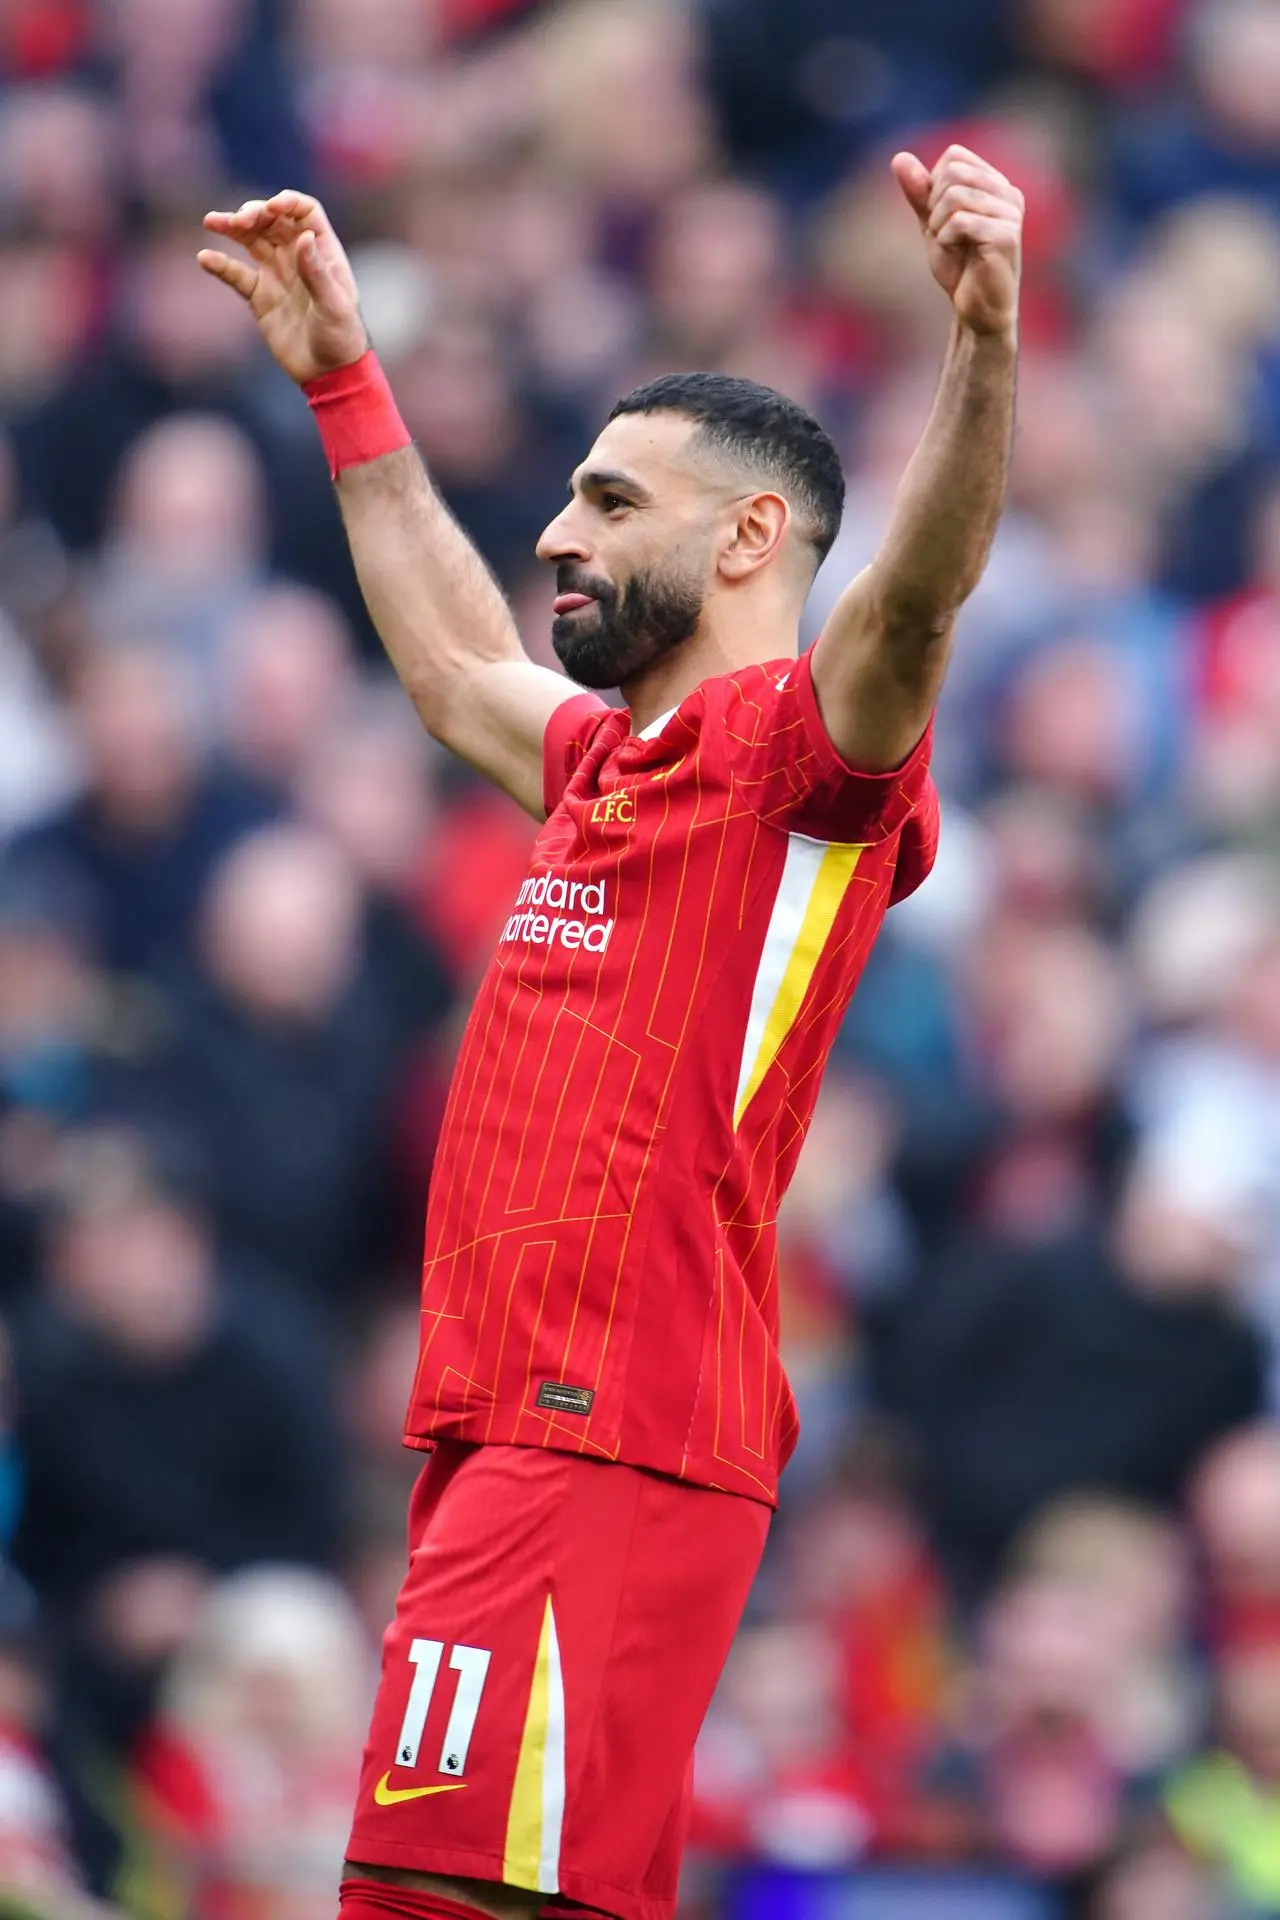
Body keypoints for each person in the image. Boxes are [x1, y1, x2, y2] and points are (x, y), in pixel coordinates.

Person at [195, 143, 1022, 1920]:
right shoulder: (604, 768)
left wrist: (981, 346)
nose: (560, 533)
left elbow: (918, 598)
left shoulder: (809, 766)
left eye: (609, 501)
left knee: (426, 1903)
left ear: (746, 539)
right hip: (517, 1424)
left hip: (610, 1426)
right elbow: (442, 661)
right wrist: (346, 380)